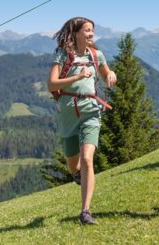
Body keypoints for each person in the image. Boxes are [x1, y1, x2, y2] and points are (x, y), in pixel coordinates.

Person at [47, 17, 117, 225]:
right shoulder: (62, 55)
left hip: (91, 111)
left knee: (87, 159)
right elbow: (51, 84)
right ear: (76, 33)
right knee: (73, 163)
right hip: (69, 112)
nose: (91, 34)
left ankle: (85, 211)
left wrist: (111, 74)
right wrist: (77, 78)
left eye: (92, 31)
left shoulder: (97, 55)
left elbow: (106, 77)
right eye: (87, 30)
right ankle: (78, 175)